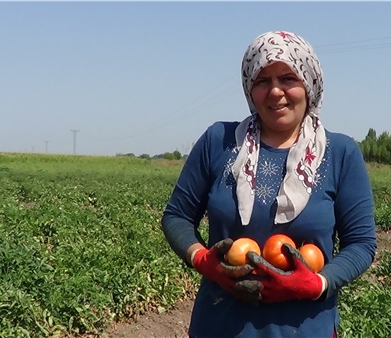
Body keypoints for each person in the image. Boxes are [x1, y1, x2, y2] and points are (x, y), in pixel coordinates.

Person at [161, 30, 376, 338]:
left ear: (309, 82)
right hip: (220, 326)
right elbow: (177, 217)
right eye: (263, 81)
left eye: (288, 78)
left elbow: (361, 244)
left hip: (305, 328)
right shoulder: (218, 141)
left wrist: (318, 284)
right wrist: (204, 260)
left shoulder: (340, 153)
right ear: (250, 89)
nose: (275, 91)